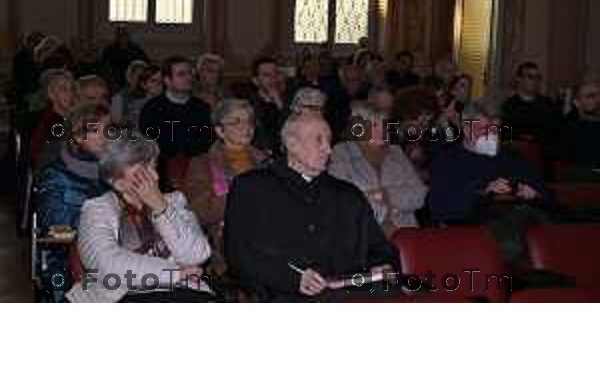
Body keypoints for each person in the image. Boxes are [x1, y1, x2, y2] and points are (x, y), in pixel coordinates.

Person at [224, 113, 399, 302]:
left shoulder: (347, 194)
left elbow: (379, 249)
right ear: (292, 144)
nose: (328, 149)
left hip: (348, 293)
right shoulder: (252, 188)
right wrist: (294, 278)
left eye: (329, 141)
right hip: (284, 295)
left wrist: (382, 265)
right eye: (319, 140)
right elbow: (239, 253)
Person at [66, 134, 213, 303]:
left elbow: (197, 255)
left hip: (181, 294)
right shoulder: (97, 209)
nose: (155, 177)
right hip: (122, 297)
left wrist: (161, 208)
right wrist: (174, 274)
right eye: (142, 171)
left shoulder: (174, 201)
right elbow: (107, 265)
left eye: (154, 166)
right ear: (117, 182)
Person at [428, 99, 557, 263]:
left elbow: (551, 199)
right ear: (467, 129)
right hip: (479, 231)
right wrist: (484, 193)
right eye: (483, 129)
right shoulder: (448, 161)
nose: (491, 134)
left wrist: (535, 195)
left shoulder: (514, 159)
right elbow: (441, 210)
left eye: (495, 129)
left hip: (527, 225)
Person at [34, 103, 111, 301]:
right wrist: (94, 229)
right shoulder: (55, 176)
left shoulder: (113, 171)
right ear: (77, 136)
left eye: (107, 129)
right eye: (95, 130)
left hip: (110, 251)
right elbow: (54, 232)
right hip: (67, 259)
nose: (105, 136)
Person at [183, 99, 268, 273]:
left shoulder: (266, 161)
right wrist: (238, 195)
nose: (246, 127)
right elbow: (198, 212)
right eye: (236, 122)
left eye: (249, 121)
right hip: (230, 238)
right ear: (220, 130)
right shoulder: (202, 164)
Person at [329, 102, 427, 234]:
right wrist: (392, 207)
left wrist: (384, 195)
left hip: (406, 235)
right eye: (374, 125)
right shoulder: (342, 153)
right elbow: (346, 200)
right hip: (365, 236)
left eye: (383, 124)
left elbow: (419, 195)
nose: (382, 130)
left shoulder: (396, 153)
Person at [139, 56, 213, 189]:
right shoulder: (152, 109)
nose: (188, 78)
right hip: (162, 173)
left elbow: (208, 141)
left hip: (197, 170)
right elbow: (149, 145)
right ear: (167, 80)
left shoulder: (202, 108)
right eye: (181, 74)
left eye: (190, 73)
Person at [29, 69, 77, 169]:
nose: (71, 94)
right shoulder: (51, 123)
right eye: (63, 89)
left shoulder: (71, 118)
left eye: (72, 89)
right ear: (51, 95)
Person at [560, 80, 600, 180]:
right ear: (577, 102)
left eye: (599, 95)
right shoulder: (570, 128)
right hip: (583, 178)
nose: (598, 99)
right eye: (591, 96)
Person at [249, 56, 287, 155]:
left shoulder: (288, 101)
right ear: (255, 81)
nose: (273, 79)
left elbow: (294, 127)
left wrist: (279, 102)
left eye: (275, 74)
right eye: (266, 75)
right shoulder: (248, 105)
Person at [110, 60, 150, 127]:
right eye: (138, 77)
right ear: (129, 78)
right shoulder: (119, 97)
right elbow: (116, 121)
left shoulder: (151, 95)